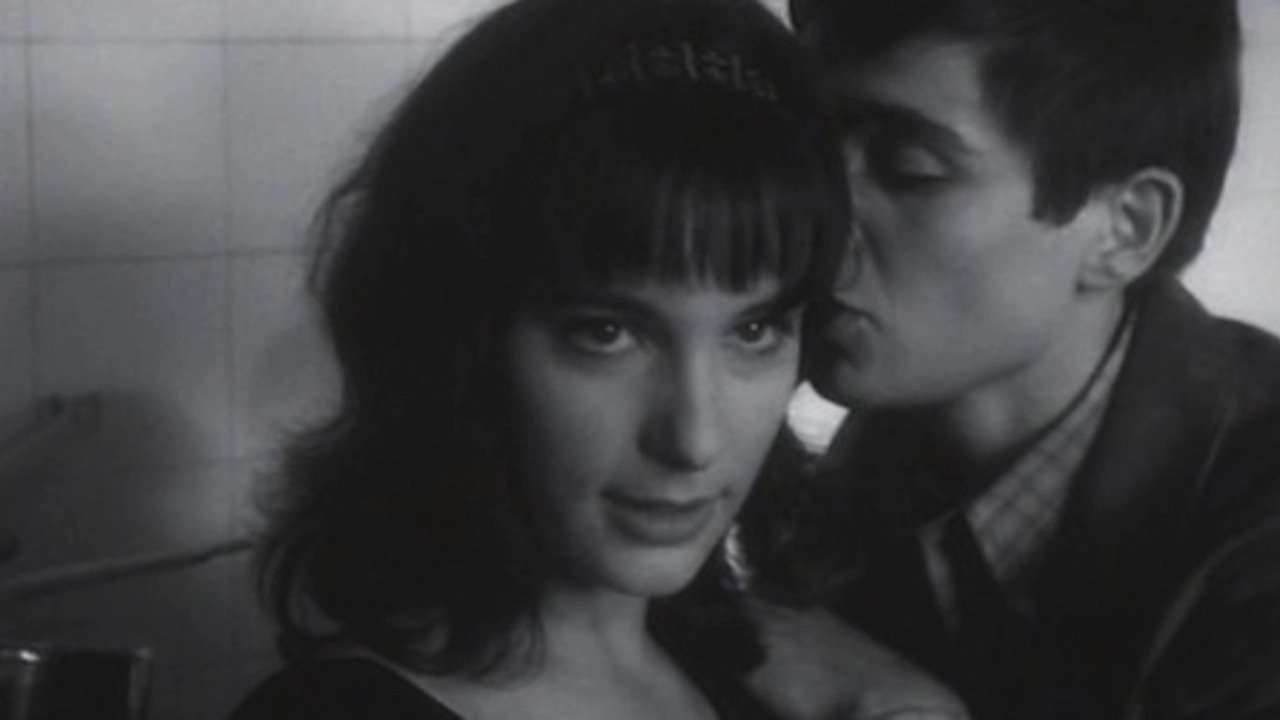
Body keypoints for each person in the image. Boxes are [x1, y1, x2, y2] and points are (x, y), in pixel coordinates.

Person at [229, 0, 858, 717]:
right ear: (457, 340)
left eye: (754, 331)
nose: (694, 439)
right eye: (607, 333)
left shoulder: (761, 682)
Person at [746, 0, 1280, 718]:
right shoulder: (844, 484)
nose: (816, 220)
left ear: (1125, 229)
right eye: (813, 151)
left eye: (908, 168)